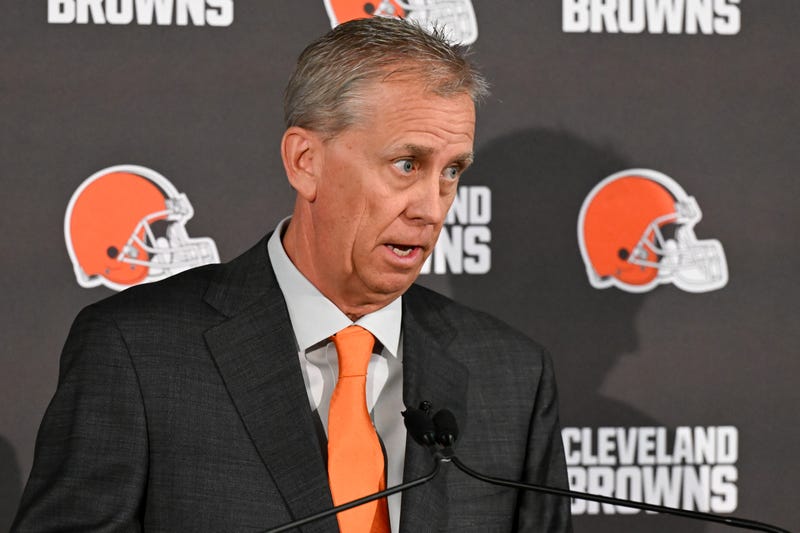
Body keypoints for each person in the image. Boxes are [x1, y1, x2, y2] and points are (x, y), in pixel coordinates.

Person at [13, 17, 572, 532]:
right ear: (306, 161)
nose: (431, 206)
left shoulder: (512, 376)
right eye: (407, 164)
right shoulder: (138, 352)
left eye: (451, 172)